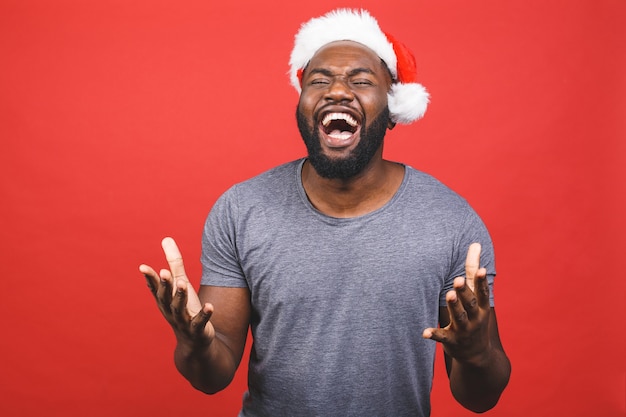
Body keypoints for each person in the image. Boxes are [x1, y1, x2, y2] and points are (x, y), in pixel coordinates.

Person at [140, 8, 511, 417]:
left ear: (391, 110)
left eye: (361, 80)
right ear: (302, 107)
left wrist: (476, 354)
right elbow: (213, 375)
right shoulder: (241, 210)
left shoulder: (451, 222)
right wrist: (194, 344)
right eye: (319, 80)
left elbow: (480, 398)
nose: (337, 91)